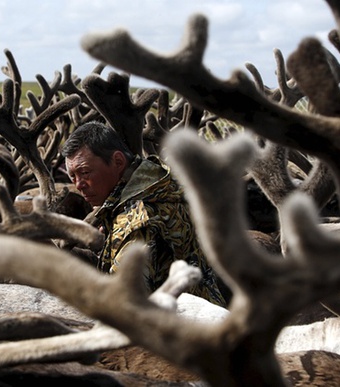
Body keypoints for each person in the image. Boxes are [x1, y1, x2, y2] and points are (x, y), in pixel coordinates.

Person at [61, 121, 226, 307]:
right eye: (72, 176)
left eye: (85, 172)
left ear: (118, 161)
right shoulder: (163, 185)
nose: (78, 184)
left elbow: (125, 304)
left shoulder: (137, 221)